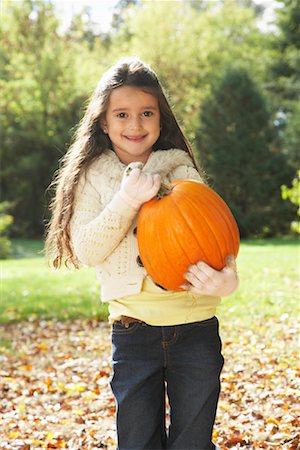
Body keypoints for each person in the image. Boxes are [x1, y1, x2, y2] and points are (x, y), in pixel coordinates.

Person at [45, 57, 239, 450]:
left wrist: (228, 277)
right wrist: (125, 202)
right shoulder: (93, 175)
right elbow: (86, 250)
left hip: (195, 326)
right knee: (137, 442)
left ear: (160, 118)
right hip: (133, 331)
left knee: (193, 442)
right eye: (122, 114)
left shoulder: (178, 167)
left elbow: (212, 231)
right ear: (103, 121)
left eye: (146, 113)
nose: (135, 125)